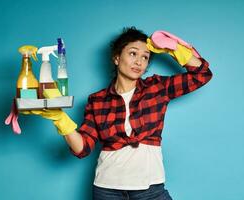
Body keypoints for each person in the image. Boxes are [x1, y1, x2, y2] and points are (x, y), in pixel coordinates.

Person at [27, 27, 213, 200]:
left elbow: (201, 75)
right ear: (117, 58)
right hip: (106, 190)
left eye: (145, 57)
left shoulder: (157, 88)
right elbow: (82, 148)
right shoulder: (97, 100)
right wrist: (59, 118)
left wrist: (174, 49)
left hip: (150, 190)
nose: (139, 61)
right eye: (133, 53)